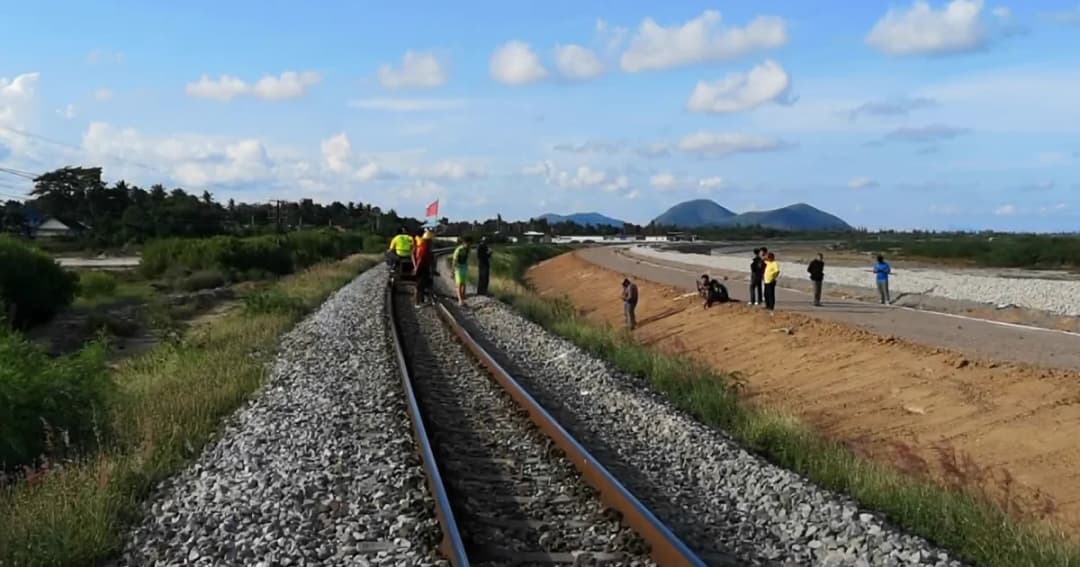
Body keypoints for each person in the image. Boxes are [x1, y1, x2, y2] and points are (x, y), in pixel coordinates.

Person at [413, 230, 436, 305]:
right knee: (419, 286)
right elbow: (420, 259)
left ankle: (425, 299)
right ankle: (417, 303)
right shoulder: (423, 248)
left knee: (427, 284)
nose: (431, 242)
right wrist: (416, 268)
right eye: (430, 240)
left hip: (425, 268)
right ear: (428, 240)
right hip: (422, 268)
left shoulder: (425, 247)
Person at [452, 236, 472, 306]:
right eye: (468, 243)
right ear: (464, 243)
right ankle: (460, 300)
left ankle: (462, 299)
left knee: (463, 284)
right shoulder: (459, 249)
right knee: (459, 284)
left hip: (464, 268)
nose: (469, 245)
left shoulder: (468, 249)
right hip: (458, 268)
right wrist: (452, 271)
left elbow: (467, 258)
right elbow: (454, 260)